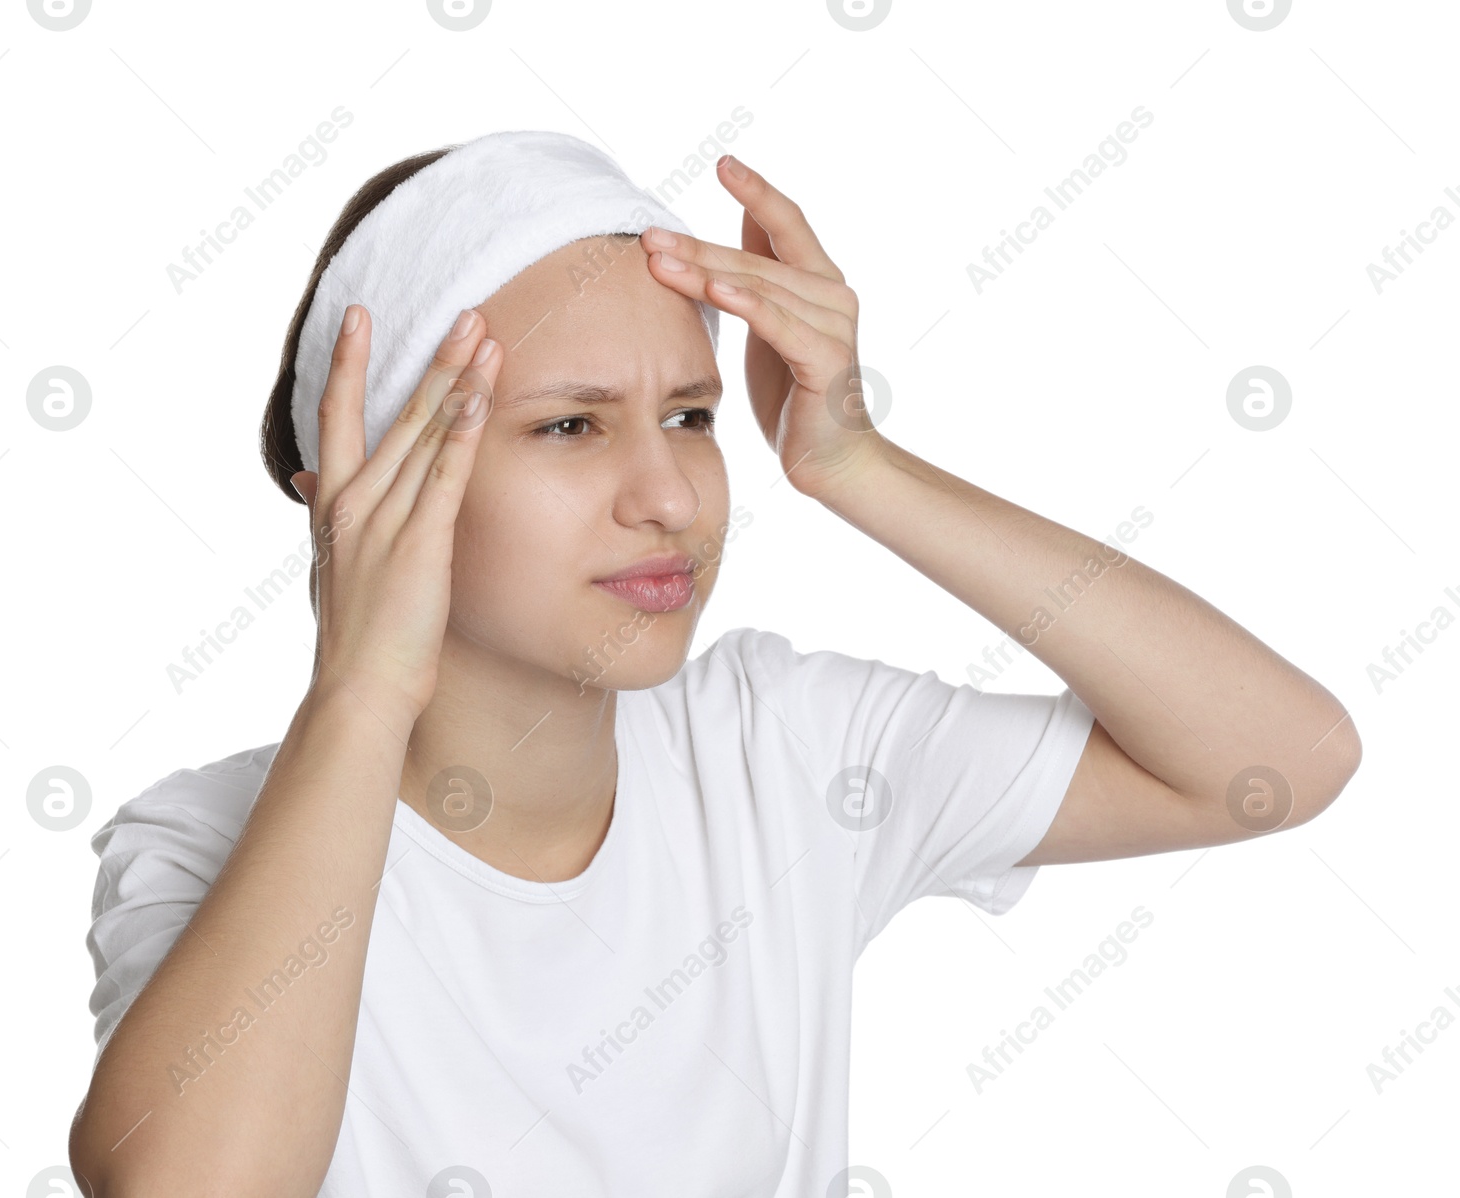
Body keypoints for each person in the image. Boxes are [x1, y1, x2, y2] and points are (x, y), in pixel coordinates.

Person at [67, 136, 1363, 1198]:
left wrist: (855, 462)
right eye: (571, 424)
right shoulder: (198, 841)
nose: (668, 494)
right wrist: (357, 690)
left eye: (688, 416)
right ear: (363, 489)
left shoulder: (780, 751)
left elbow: (1277, 762)